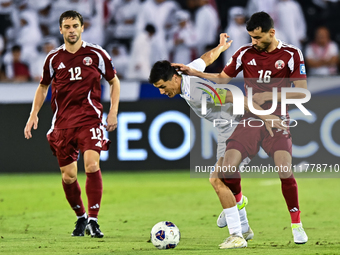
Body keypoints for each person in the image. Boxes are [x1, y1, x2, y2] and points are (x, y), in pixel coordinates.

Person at [173, 11, 309, 248]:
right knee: (226, 169)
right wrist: (195, 73)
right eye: (250, 37)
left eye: (257, 38)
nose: (253, 42)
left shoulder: (291, 54)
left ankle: (296, 224)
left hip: (277, 119)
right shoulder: (244, 53)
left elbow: (302, 92)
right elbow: (222, 79)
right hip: (250, 119)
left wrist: (270, 94)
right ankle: (238, 203)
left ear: (271, 33)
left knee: (285, 170)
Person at [149, 33, 286, 249]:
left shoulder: (196, 92)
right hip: (226, 129)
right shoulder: (185, 73)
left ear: (173, 78)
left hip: (239, 126)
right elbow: (205, 59)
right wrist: (221, 47)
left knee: (218, 180)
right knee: (223, 181)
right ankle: (244, 227)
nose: (161, 91)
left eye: (162, 86)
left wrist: (267, 116)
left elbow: (234, 96)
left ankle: (236, 235)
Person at [24, 10, 120, 238]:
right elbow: (43, 87)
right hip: (63, 124)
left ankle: (94, 221)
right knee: (69, 176)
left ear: (82, 27)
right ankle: (81, 217)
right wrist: (33, 114)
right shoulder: (53, 58)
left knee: (91, 165)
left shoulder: (96, 54)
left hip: (90, 119)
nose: (71, 30)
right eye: (67, 27)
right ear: (60, 30)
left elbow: (114, 81)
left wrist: (113, 111)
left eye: (75, 26)